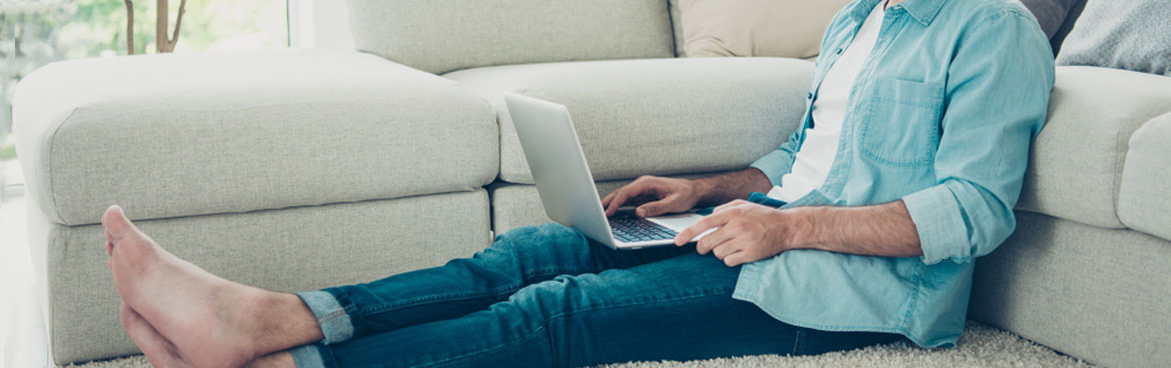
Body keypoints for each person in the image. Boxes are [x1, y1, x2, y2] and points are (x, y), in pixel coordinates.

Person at [103, 0, 1055, 366]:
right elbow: (804, 165)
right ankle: (275, 317)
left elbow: (971, 213)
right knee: (533, 249)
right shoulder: (861, 23)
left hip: (849, 292)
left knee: (562, 310)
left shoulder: (992, 27)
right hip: (764, 226)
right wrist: (703, 187)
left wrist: (786, 231)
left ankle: (303, 365)